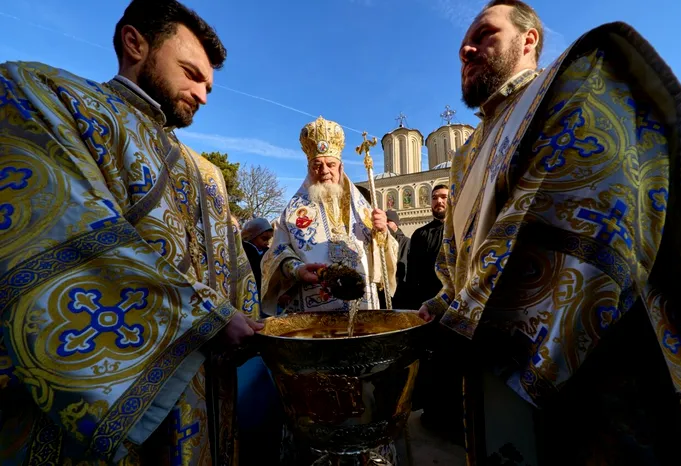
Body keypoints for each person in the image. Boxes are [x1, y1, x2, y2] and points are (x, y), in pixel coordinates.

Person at [418, 1, 681, 464]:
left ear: (528, 39)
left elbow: (568, 208)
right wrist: (439, 306)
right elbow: (458, 257)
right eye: (463, 44)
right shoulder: (467, 155)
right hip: (487, 373)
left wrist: (464, 320)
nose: (466, 50)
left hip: (590, 371)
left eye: (485, 34)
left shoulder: (574, 85)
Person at [0, 1, 263, 465]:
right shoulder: (45, 94)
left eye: (208, 86)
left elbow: (237, 278)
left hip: (206, 399)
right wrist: (207, 318)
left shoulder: (208, 175)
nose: (202, 95)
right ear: (134, 43)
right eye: (191, 74)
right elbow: (63, 236)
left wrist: (250, 320)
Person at [261, 116, 398, 316]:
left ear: (341, 168)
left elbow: (383, 256)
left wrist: (382, 232)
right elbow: (276, 254)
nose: (324, 171)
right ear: (309, 169)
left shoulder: (364, 209)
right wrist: (297, 269)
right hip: (314, 306)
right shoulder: (291, 214)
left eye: (331, 164)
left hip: (362, 305)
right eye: (317, 165)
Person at [405, 184, 462, 441]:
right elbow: (412, 275)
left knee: (453, 364)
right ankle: (433, 414)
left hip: (456, 308)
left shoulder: (460, 229)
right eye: (435, 197)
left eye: (444, 197)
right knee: (432, 364)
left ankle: (456, 418)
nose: (439, 201)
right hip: (427, 309)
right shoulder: (420, 234)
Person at [379, 210, 410, 308]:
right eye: (384, 221)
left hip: (399, 291)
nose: (386, 223)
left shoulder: (405, 242)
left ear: (396, 224)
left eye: (389, 221)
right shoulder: (379, 239)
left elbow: (403, 265)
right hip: (382, 290)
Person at [241, 217, 274, 289]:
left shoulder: (268, 253)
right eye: (264, 239)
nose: (267, 243)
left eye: (268, 239)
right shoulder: (244, 252)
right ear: (252, 236)